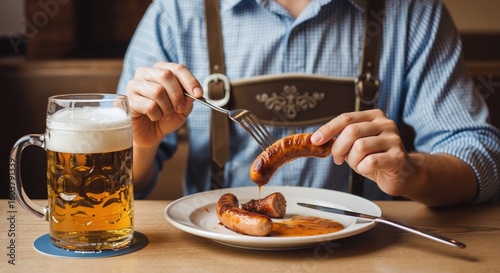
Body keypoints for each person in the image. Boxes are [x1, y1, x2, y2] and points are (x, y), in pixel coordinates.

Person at [118, 0, 500, 207]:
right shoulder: (176, 12)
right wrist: (141, 144)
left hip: (368, 257)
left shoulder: (413, 10)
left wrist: (414, 173)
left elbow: (482, 156)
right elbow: (122, 187)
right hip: (214, 258)